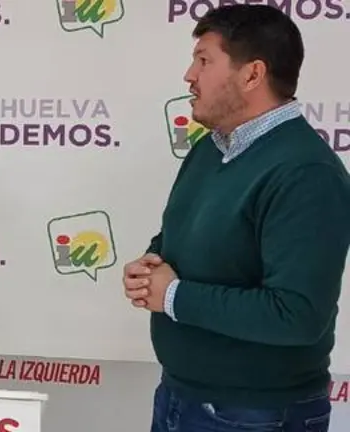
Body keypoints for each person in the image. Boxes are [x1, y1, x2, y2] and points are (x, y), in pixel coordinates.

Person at [123, 4, 350, 432]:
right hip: (180, 396)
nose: (189, 75)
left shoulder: (307, 173)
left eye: (204, 60)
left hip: (255, 414)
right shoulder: (209, 149)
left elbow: (297, 314)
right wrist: (150, 265)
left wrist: (173, 296)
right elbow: (180, 236)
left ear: (252, 75)